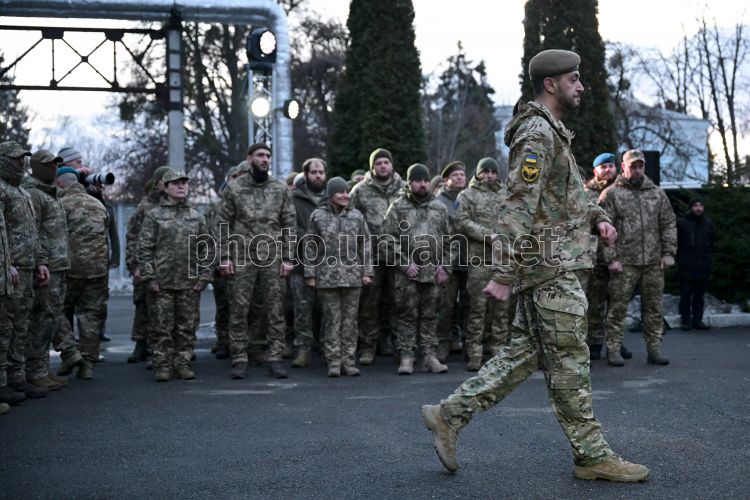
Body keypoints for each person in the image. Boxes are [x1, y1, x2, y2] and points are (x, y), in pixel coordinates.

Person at [421, 50, 649, 482]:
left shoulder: (553, 132)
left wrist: (598, 217)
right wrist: (504, 273)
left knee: (523, 355)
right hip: (548, 267)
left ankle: (448, 415)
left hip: (550, 264)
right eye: (574, 79)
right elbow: (518, 206)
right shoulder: (536, 134)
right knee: (570, 360)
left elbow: (568, 195)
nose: (581, 86)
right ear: (550, 84)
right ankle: (592, 455)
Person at [215, 143, 295, 380]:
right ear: (249, 159)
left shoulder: (280, 188)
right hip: (242, 256)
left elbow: (289, 225)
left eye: (268, 156)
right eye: (260, 155)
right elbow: (222, 224)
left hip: (272, 256)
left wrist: (288, 257)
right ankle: (240, 357)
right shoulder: (235, 188)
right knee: (239, 308)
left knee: (275, 308)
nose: (265, 159)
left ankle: (275, 357)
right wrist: (224, 257)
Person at [599, 149, 677, 367]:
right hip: (624, 262)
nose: (637, 170)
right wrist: (611, 258)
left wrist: (669, 253)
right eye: (633, 166)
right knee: (617, 308)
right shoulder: (611, 194)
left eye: (640, 166)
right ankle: (614, 349)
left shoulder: (657, 193)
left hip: (653, 261)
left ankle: (654, 349)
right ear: (623, 167)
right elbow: (603, 229)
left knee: (654, 309)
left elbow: (668, 223)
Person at [138, 170, 212, 381]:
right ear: (165, 187)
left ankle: (182, 363)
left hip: (189, 282)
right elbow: (145, 248)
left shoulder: (196, 216)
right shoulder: (154, 215)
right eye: (176, 183)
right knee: (161, 326)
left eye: (184, 183)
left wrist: (204, 277)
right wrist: (150, 276)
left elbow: (206, 249)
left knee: (187, 326)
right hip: (162, 282)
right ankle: (162, 364)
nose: (181, 187)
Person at [383, 163, 450, 375]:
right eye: (418, 180)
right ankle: (407, 356)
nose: (422, 184)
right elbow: (386, 239)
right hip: (407, 274)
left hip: (433, 273)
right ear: (409, 182)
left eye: (425, 180)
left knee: (431, 315)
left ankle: (430, 356)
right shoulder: (397, 207)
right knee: (406, 315)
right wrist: (404, 263)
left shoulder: (439, 208)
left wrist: (445, 266)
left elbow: (451, 240)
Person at [22, 150, 82, 391]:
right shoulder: (34, 194)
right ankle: (35, 372)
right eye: (48, 165)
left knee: (50, 318)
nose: (53, 168)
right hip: (47, 267)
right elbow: (33, 232)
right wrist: (41, 262)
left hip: (58, 266)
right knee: (41, 320)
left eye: (56, 164)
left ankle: (42, 369)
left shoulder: (50, 193)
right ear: (36, 167)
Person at [304, 177, 373, 376]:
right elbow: (310, 246)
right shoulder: (318, 216)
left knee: (350, 322)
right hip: (327, 278)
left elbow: (365, 244)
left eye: (346, 191)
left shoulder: (356, 216)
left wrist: (367, 272)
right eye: (340, 192)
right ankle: (333, 362)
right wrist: (310, 274)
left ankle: (348, 361)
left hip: (352, 277)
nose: (345, 195)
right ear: (330, 194)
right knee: (332, 321)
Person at [0, 141, 50, 399]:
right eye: (15, 159)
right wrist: (6, 264)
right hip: (11, 270)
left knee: (22, 326)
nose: (20, 163)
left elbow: (33, 232)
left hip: (28, 268)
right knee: (5, 327)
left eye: (22, 158)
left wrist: (40, 261)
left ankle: (18, 378)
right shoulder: (2, 190)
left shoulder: (23, 192)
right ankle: (3, 382)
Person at [451, 157, 510, 371]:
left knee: (501, 310)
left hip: (503, 260)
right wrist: (486, 234)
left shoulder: (506, 194)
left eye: (493, 172)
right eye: (485, 171)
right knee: (477, 308)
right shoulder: (467, 195)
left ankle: (498, 350)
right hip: (479, 260)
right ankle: (474, 351)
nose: (489, 176)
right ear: (478, 173)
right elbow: (460, 221)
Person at [349, 148, 405, 365]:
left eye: (386, 162)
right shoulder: (360, 190)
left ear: (391, 165)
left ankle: (398, 345)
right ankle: (368, 345)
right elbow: (350, 218)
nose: (383, 166)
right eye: (378, 163)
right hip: (371, 255)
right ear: (372, 167)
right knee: (369, 303)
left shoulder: (404, 188)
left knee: (398, 300)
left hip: (398, 254)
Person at [56, 166, 110, 379]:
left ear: (59, 183)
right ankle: (87, 365)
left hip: (68, 269)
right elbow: (105, 236)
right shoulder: (97, 204)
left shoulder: (60, 205)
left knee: (56, 310)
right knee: (90, 316)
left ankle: (70, 351)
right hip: (97, 269)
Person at [581, 153, 631, 361]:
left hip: (620, 256)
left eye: (611, 166)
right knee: (595, 302)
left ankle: (615, 342)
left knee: (617, 302)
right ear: (595, 171)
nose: (608, 170)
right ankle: (595, 341)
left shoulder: (622, 191)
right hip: (594, 258)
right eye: (604, 167)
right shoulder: (586, 194)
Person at [125, 166, 174, 363]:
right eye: (165, 179)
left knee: (169, 307)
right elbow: (133, 237)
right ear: (158, 182)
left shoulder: (177, 204)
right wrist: (134, 265)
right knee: (143, 304)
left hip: (170, 264)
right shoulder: (145, 207)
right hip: (147, 263)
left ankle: (169, 347)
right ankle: (141, 343)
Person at [289, 158, 327, 368]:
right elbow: (287, 226)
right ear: (306, 175)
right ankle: (303, 349)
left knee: (327, 309)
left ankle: (325, 347)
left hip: (328, 265)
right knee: (302, 309)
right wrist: (311, 236)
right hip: (301, 263)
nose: (318, 176)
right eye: (314, 172)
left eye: (321, 172)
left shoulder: (332, 196)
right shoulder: (294, 198)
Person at [435, 161, 468, 361]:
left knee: (468, 305)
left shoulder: (470, 197)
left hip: (469, 260)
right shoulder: (439, 202)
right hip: (448, 262)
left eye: (462, 174)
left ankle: (463, 341)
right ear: (446, 179)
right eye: (455, 175)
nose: (460, 177)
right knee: (446, 305)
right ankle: (443, 343)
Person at [676, 198, 714, 331]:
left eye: (700, 205)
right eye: (695, 206)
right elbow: (677, 243)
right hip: (687, 265)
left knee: (699, 295)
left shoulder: (708, 224)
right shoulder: (682, 223)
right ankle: (685, 320)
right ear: (691, 207)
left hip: (703, 264)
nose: (698, 208)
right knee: (685, 294)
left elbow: (711, 242)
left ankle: (698, 320)